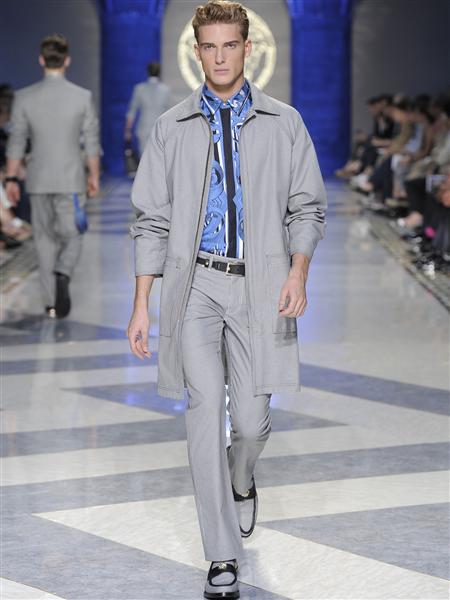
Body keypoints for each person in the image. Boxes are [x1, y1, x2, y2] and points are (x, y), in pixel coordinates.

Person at [127, 2, 327, 598]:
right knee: (203, 408)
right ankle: (221, 554)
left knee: (252, 422)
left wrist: (298, 272)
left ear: (247, 48)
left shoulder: (284, 122)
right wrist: (142, 303)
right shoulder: (171, 127)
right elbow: (151, 219)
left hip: (260, 285)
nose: (219, 57)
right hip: (194, 287)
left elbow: (307, 206)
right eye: (209, 47)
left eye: (230, 45)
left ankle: (242, 477)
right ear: (196, 51)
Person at [5, 34, 100, 318]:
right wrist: (94, 176)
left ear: (41, 60)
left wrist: (11, 179)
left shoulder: (24, 98)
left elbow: (16, 143)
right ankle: (63, 271)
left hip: (37, 180)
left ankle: (50, 303)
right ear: (67, 60)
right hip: (71, 180)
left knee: (44, 240)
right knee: (74, 233)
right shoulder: (82, 97)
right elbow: (91, 142)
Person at [124, 61, 172, 157]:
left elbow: (131, 112)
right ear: (159, 72)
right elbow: (171, 113)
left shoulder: (139, 89)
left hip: (143, 129)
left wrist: (127, 130)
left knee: (144, 159)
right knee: (159, 159)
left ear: (148, 72)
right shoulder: (166, 90)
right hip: (160, 130)